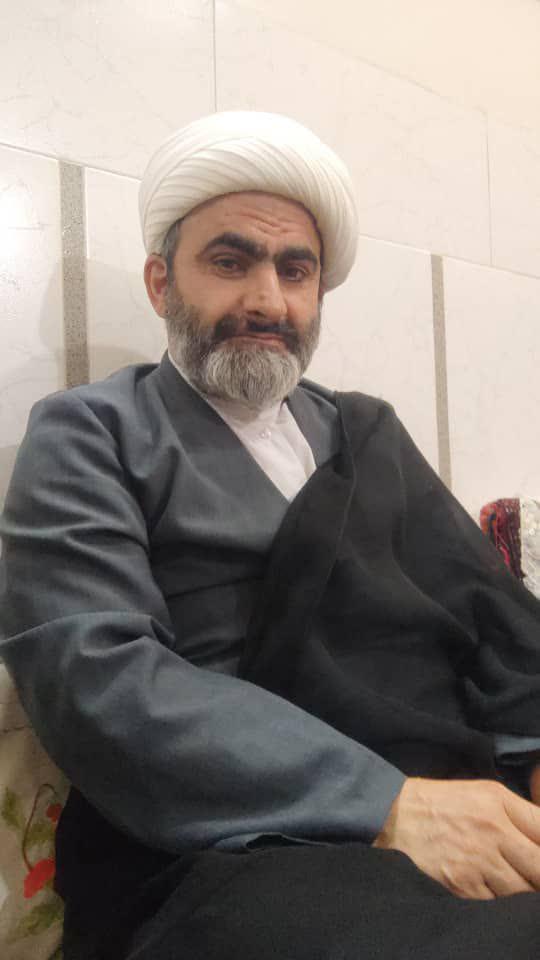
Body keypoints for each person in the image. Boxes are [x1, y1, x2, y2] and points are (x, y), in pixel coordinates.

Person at [1, 110, 540, 960]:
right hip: (245, 842)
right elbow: (94, 674)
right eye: (230, 261)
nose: (267, 300)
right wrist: (387, 804)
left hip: (465, 788)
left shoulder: (366, 432)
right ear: (160, 283)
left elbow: (497, 619)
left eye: (296, 270)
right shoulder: (91, 433)